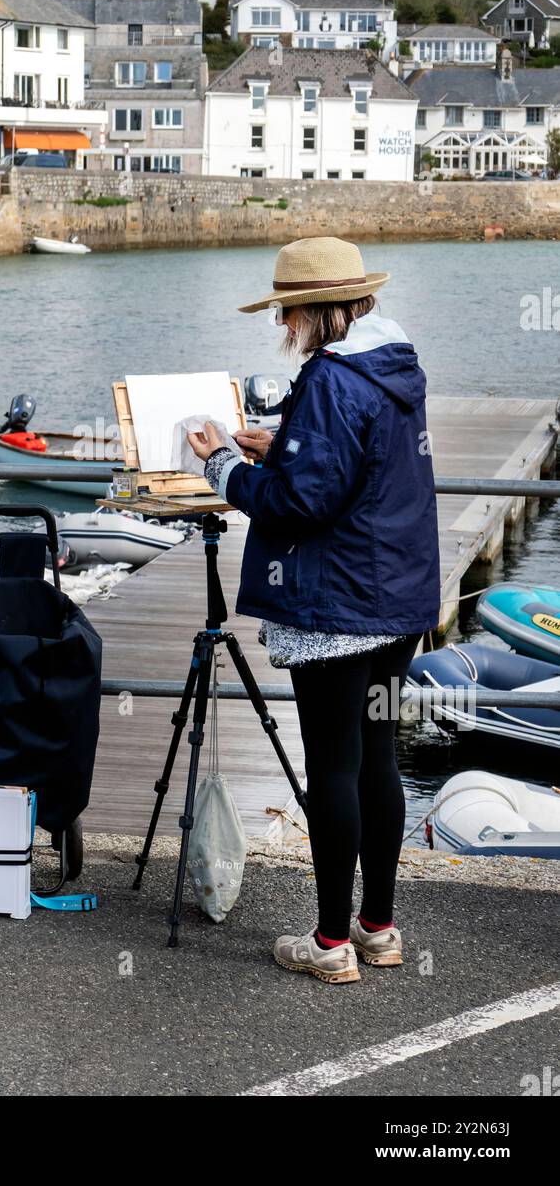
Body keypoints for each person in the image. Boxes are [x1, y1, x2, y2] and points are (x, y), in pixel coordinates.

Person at [188, 237, 440, 986]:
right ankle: (378, 929)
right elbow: (354, 468)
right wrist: (285, 446)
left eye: (287, 312)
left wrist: (223, 466)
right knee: (378, 761)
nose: (281, 326)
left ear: (320, 312)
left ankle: (330, 943)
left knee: (333, 767)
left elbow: (304, 504)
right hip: (397, 601)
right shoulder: (396, 370)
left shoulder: (332, 380)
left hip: (337, 607)